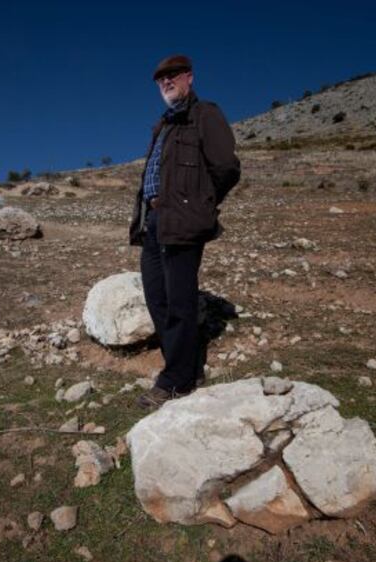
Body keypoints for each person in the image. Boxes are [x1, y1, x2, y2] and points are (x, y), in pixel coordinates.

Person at [129, 54, 240, 409]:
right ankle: (189, 367)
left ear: (189, 77)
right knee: (157, 297)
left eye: (173, 75)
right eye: (161, 78)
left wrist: (200, 204)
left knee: (178, 300)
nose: (166, 81)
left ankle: (175, 382)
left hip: (184, 220)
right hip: (154, 223)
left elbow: (226, 168)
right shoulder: (164, 125)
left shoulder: (205, 114)